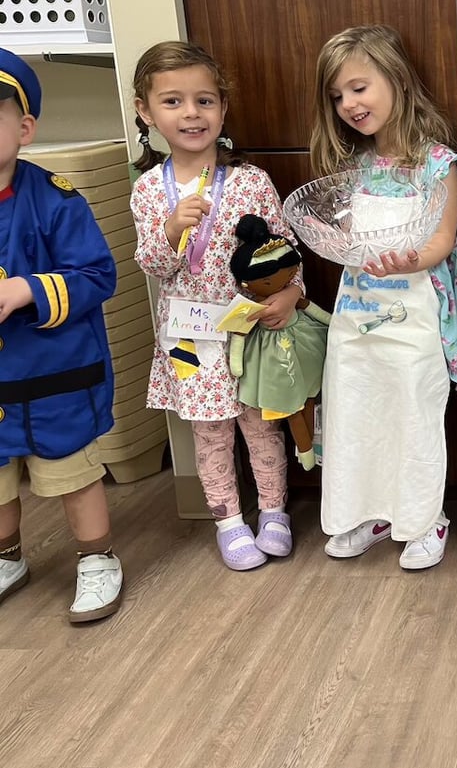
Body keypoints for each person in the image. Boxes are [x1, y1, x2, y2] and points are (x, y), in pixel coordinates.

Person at [131, 41, 302, 571]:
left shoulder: (251, 181)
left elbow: (285, 252)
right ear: (146, 111)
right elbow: (153, 267)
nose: (191, 114)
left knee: (261, 424)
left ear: (223, 109)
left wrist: (291, 295)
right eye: (173, 101)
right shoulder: (146, 191)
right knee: (209, 432)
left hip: (250, 330)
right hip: (189, 337)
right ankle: (229, 521)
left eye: (204, 101)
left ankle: (274, 511)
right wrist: (170, 229)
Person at [311, 25, 457, 570]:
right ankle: (368, 511)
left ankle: (426, 519)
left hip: (415, 314)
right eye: (337, 96)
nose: (348, 104)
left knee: (413, 412)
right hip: (356, 317)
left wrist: (411, 258)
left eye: (358, 88)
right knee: (356, 410)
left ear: (396, 79)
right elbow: (347, 233)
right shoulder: (355, 168)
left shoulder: (437, 164)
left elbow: (442, 239)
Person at [0, 48, 124, 622]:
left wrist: (28, 290)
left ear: (24, 128)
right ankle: (7, 557)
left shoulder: (56, 198)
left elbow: (98, 274)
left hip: (54, 377)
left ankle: (97, 558)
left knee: (72, 471)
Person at [228, 214, 330, 472]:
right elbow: (239, 335)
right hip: (272, 359)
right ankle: (306, 449)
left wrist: (336, 324)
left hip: (303, 346)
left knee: (308, 397)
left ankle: (311, 448)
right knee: (292, 405)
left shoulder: (290, 294)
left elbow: (316, 312)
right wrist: (236, 363)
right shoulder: (250, 308)